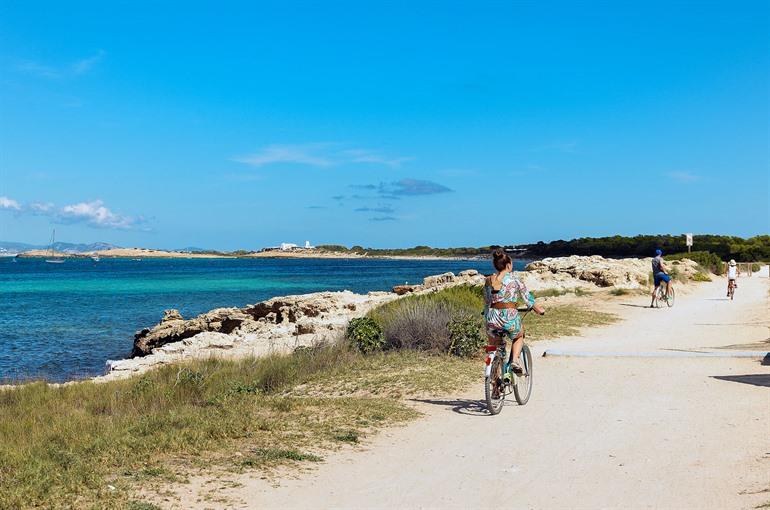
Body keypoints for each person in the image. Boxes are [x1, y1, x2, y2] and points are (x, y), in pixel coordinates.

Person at [484, 249, 545, 375]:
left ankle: (495, 382)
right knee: (519, 335)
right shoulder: (515, 280)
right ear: (508, 265)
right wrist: (538, 310)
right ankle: (515, 361)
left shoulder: (488, 280)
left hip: (492, 319)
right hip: (509, 318)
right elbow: (528, 299)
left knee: (493, 347)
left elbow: (487, 300)